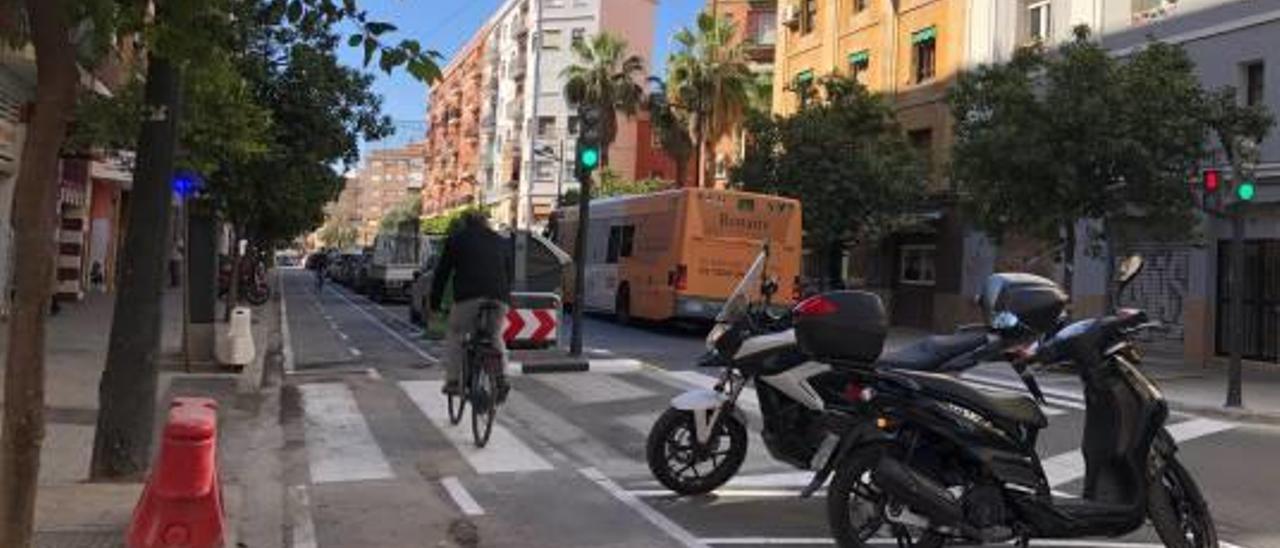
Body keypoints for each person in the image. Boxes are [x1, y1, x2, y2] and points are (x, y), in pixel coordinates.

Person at [429, 211, 512, 397]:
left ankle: (453, 380)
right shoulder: (500, 241)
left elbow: (442, 273)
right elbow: (509, 273)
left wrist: (435, 303)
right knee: (495, 335)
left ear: (465, 224)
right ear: (486, 223)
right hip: (499, 297)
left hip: (468, 297)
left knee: (456, 333)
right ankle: (502, 377)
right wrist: (506, 296)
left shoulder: (457, 240)